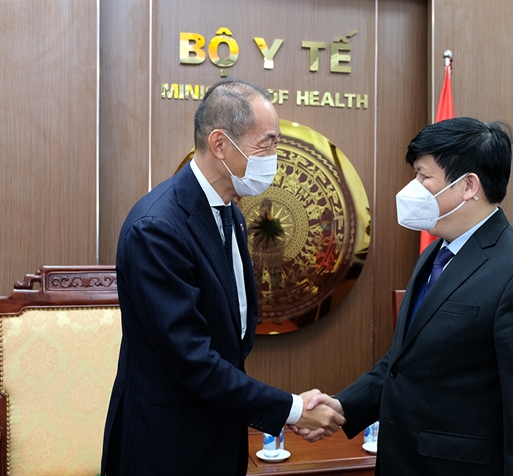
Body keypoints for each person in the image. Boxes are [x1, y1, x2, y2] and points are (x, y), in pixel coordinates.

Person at [101, 78, 345, 476]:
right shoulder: (157, 228)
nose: (274, 156)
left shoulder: (229, 209)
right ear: (220, 144)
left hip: (219, 436)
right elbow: (191, 361)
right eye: (266, 143)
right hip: (166, 446)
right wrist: (293, 410)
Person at [303, 117, 513, 475]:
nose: (412, 187)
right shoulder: (435, 253)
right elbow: (405, 362)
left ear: (468, 185)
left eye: (423, 176)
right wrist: (340, 406)